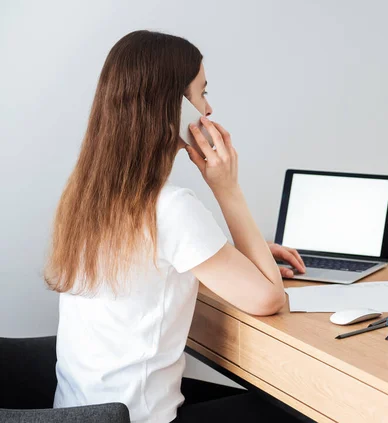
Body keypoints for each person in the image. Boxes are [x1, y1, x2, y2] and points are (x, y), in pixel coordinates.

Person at [44, 30, 307, 423]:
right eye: (201, 94)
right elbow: (269, 299)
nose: (209, 108)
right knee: (297, 411)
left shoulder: (89, 196)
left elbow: (153, 261)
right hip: (136, 420)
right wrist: (227, 189)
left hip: (78, 413)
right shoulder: (170, 208)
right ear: (175, 107)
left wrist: (234, 253)